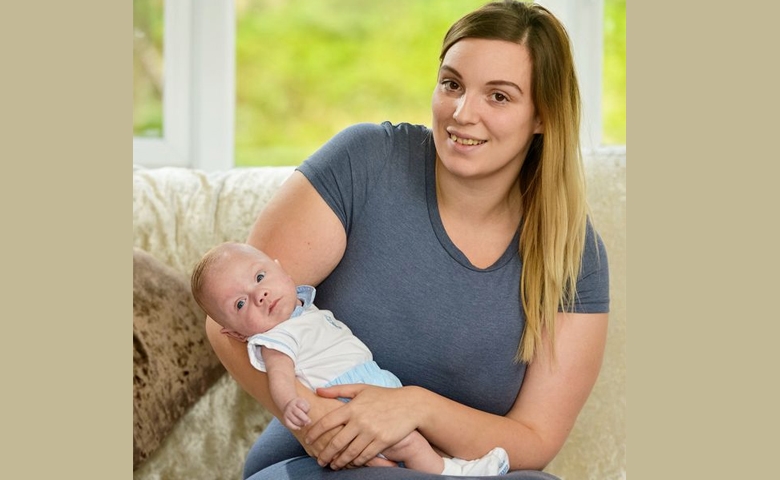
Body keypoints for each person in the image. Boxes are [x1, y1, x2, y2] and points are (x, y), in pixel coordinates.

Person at [206, 1, 610, 479]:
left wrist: (415, 407)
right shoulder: (365, 163)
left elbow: (534, 439)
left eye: (498, 96)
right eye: (452, 84)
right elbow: (231, 321)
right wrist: (318, 423)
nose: (462, 113)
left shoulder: (574, 254)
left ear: (542, 116)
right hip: (325, 462)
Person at [191, 241, 510, 476]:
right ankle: (455, 474)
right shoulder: (274, 339)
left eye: (260, 277)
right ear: (237, 335)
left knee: (417, 439)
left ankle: (451, 465)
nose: (258, 295)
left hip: (375, 387)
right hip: (347, 405)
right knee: (409, 445)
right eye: (240, 305)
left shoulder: (303, 309)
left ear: (281, 269)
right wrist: (291, 404)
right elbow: (279, 375)